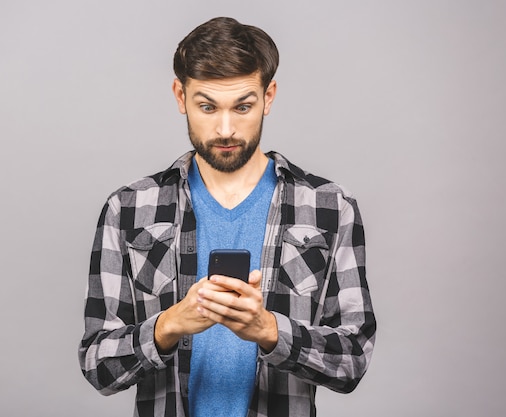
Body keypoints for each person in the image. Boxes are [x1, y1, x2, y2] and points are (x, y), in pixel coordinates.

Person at [79, 16, 376, 417]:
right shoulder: (129, 209)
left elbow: (353, 359)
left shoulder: (329, 208)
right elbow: (98, 364)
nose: (225, 128)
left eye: (243, 107)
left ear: (268, 97)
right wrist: (168, 326)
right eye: (206, 106)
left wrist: (270, 332)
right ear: (179, 96)